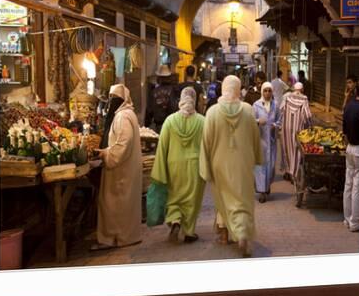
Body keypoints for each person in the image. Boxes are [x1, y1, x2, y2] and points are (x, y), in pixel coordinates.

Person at [199, 75, 263, 257]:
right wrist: (257, 158)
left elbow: (206, 142)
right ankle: (242, 233)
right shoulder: (248, 110)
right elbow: (255, 137)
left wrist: (206, 166)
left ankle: (225, 234)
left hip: (219, 163)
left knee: (224, 199)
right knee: (242, 199)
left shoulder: (212, 112)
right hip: (243, 162)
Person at [151, 87, 206, 243]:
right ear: (194, 100)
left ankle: (175, 220)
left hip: (173, 164)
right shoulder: (202, 121)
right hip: (195, 166)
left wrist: (159, 169)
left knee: (174, 196)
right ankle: (189, 232)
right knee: (192, 199)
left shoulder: (170, 121)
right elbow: (207, 145)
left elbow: (162, 146)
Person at [93, 84, 142, 250]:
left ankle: (115, 238)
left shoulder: (122, 117)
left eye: (114, 98)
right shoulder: (127, 114)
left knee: (114, 204)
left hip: (121, 172)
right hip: (125, 169)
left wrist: (106, 154)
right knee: (121, 204)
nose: (111, 102)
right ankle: (123, 236)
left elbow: (122, 144)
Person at [342, 80, 359, 233]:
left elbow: (344, 131)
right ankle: (356, 222)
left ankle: (347, 218)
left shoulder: (349, 106)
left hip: (349, 148)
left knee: (349, 184)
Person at [253, 82, 281, 203]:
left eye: (269, 91)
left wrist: (274, 125)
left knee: (271, 166)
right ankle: (262, 191)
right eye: (265, 91)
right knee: (260, 166)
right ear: (262, 92)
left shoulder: (276, 105)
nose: (267, 93)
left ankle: (267, 185)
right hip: (261, 140)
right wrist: (258, 122)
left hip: (272, 140)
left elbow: (280, 120)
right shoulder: (256, 105)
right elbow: (251, 120)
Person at [280, 82, 312, 184]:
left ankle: (288, 171)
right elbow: (307, 115)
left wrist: (279, 126)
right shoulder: (304, 99)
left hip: (286, 129)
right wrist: (311, 126)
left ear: (294, 89)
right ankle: (294, 173)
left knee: (287, 149)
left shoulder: (287, 97)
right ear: (302, 90)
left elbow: (280, 111)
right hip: (298, 130)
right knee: (296, 150)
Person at [144, 64, 177, 133]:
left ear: (159, 78)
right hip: (171, 124)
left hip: (159, 125)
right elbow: (173, 107)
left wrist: (146, 125)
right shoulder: (173, 91)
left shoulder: (154, 92)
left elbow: (149, 110)